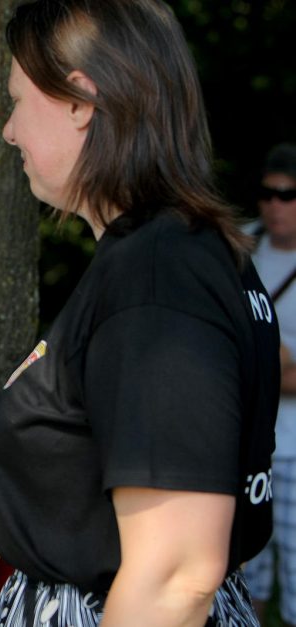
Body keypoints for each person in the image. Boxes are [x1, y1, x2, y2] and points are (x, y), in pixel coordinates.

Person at [0, 1, 279, 625]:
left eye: (16, 100)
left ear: (80, 101)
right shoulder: (181, 255)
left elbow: (174, 576)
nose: (9, 130)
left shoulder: (157, 274)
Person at [243, 142, 296, 627]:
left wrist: (264, 362)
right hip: (248, 444)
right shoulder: (239, 245)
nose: (276, 204)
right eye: (268, 193)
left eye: (289, 194)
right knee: (242, 579)